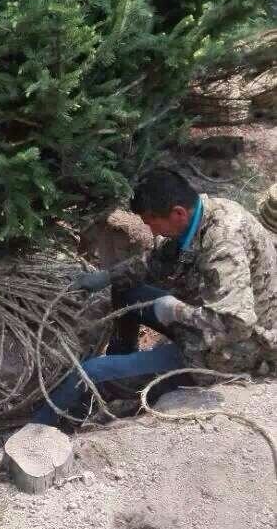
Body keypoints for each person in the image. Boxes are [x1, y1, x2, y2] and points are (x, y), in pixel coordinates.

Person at [32, 168, 277, 427]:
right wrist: (106, 277)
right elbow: (156, 261)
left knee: (92, 371)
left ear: (178, 213)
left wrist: (177, 312)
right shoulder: (201, 215)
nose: (151, 231)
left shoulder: (225, 242)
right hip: (206, 321)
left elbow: (237, 324)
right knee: (127, 290)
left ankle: (41, 428)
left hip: (235, 349)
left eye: (151, 221)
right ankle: (122, 365)